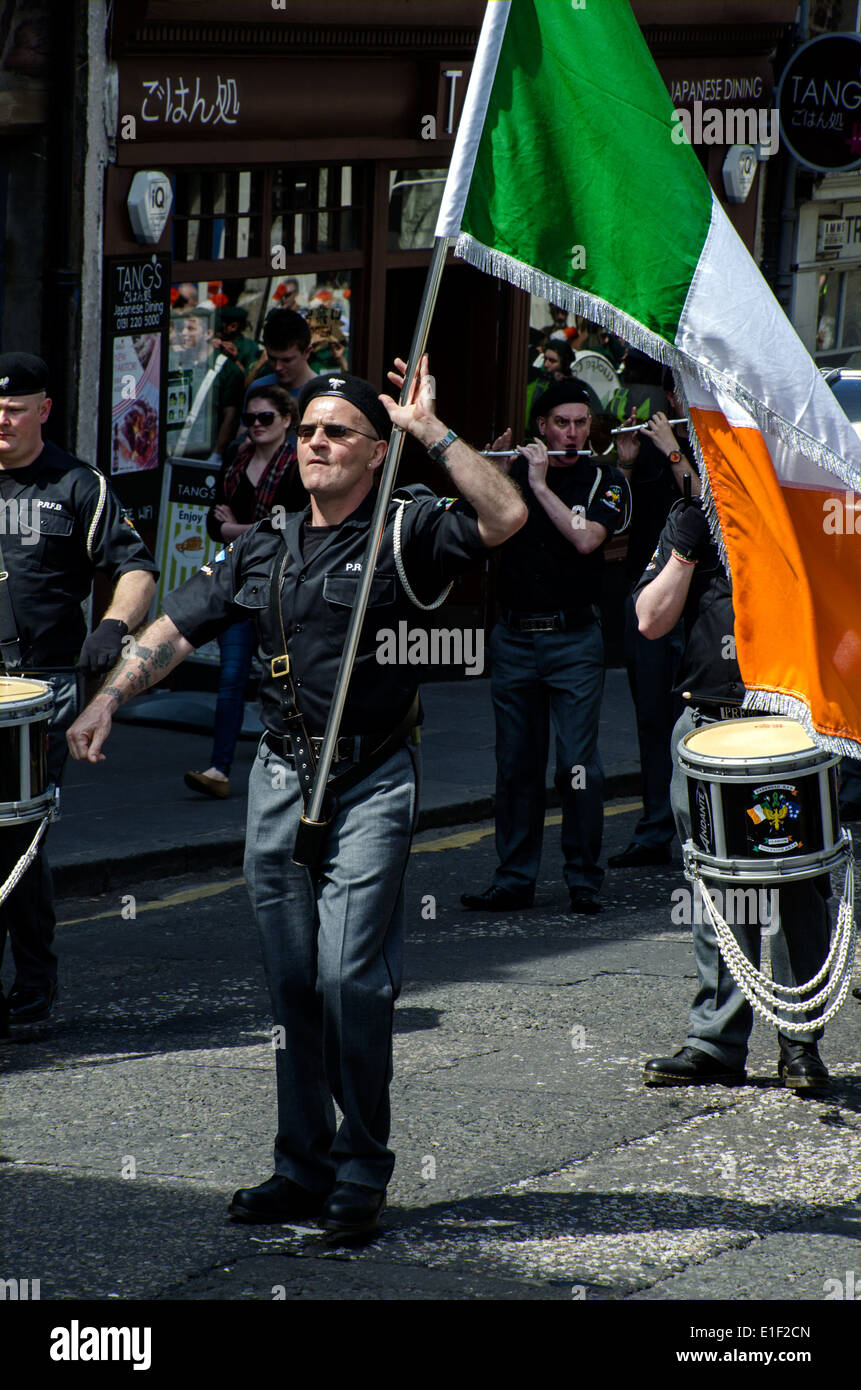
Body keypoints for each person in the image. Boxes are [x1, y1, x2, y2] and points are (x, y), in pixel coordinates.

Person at [67, 358, 526, 1239]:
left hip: (370, 777)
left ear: (371, 449)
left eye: (337, 432)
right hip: (280, 776)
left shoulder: (410, 531)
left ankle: (361, 1171)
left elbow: (503, 515)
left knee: (349, 977)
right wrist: (108, 699)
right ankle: (301, 1165)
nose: (315, 442)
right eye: (308, 430)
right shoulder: (265, 543)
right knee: (291, 985)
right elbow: (179, 626)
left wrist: (429, 429)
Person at [635, 498, 832, 1093]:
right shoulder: (690, 516)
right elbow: (649, 620)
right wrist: (685, 549)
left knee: (798, 881)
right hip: (708, 726)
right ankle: (715, 1041)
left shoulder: (805, 503)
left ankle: (800, 1043)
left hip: (786, 725)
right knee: (716, 883)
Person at [0, 353, 158, 1032]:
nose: (1, 421)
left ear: (43, 410)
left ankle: (33, 984)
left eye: (13, 409)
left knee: (14, 840)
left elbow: (137, 567)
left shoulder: (76, 485)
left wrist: (116, 624)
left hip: (39, 687)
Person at [461, 380, 634, 916]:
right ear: (542, 426)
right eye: (562, 423)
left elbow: (585, 538)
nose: (574, 433)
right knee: (515, 764)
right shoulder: (513, 472)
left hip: (574, 639)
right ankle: (514, 879)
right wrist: (492, 472)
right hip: (514, 638)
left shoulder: (604, 478)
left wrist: (538, 485)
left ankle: (583, 877)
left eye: (582, 423)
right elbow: (465, 525)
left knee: (577, 764)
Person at [184, 384, 307, 799]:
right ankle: (219, 769)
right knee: (232, 675)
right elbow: (212, 525)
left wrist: (238, 527)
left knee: (286, 675)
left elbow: (292, 523)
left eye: (265, 418)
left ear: (287, 420)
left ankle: (296, 763)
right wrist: (246, 527)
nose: (255, 425)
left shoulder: (297, 465)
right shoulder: (235, 463)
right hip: (238, 582)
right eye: (249, 418)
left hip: (284, 584)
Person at [609, 397, 701, 869]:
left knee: (697, 720)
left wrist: (671, 451)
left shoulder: (711, 440)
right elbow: (614, 520)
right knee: (652, 721)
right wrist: (625, 464)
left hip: (700, 606)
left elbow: (702, 499)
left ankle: (697, 828)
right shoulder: (640, 445)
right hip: (649, 600)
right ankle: (654, 829)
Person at [244, 307, 317, 409]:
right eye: (272, 358)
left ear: (307, 352)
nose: (278, 367)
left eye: (287, 360)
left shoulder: (323, 394)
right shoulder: (257, 389)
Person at [211, 305, 260, 376]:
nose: (214, 328)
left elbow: (250, 379)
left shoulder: (249, 347)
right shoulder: (211, 342)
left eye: (218, 324)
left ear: (233, 326)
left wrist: (235, 360)